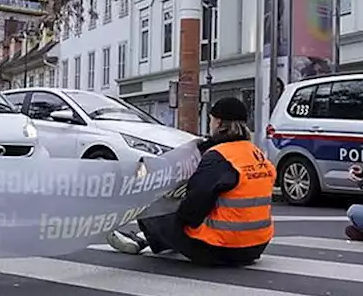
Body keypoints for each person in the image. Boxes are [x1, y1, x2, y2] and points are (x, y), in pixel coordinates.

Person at [106, 97, 274, 266]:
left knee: (156, 212)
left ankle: (146, 238)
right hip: (256, 246)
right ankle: (146, 239)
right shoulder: (256, 153)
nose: (210, 124)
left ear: (219, 123)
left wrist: (177, 218)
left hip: (221, 248)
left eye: (211, 120)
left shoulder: (218, 157)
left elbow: (194, 204)